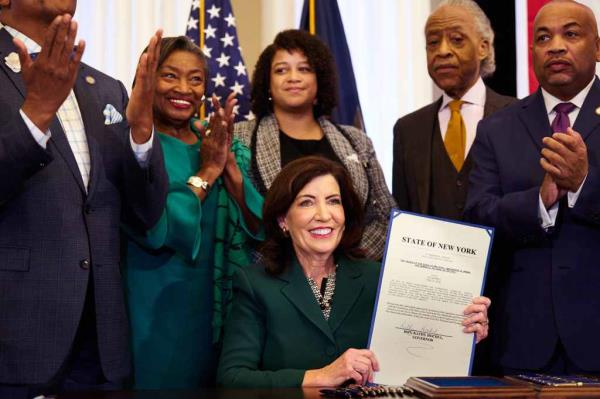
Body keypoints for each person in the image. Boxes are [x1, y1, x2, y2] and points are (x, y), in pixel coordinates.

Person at [0, 1, 168, 397]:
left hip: (102, 344)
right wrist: (36, 112)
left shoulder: (106, 87)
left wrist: (142, 134)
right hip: (18, 337)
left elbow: (145, 212)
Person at [217, 156, 491, 388]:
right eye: (307, 202)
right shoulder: (255, 283)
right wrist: (320, 376)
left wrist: (461, 331)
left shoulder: (381, 278)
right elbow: (232, 377)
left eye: (334, 201)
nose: (324, 214)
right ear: (282, 220)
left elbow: (422, 356)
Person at [465, 0, 600, 375]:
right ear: (532, 52)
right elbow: (477, 215)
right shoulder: (497, 128)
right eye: (543, 37)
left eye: (570, 34)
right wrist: (537, 203)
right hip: (521, 339)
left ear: (598, 47)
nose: (556, 45)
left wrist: (583, 184)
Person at [122, 36, 263, 389]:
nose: (183, 88)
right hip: (156, 304)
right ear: (146, 79)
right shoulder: (135, 147)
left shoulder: (213, 141)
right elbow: (163, 229)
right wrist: (207, 173)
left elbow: (259, 225)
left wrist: (227, 163)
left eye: (196, 79)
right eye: (170, 76)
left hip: (220, 309)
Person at [234, 29, 396, 260]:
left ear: (319, 80)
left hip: (354, 274)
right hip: (274, 278)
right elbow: (240, 220)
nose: (293, 77)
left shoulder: (357, 141)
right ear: (267, 84)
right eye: (281, 70)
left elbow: (385, 216)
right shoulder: (240, 138)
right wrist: (297, 266)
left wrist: (346, 261)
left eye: (304, 69)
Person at [393, 0, 515, 221]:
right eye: (432, 42)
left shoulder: (518, 116)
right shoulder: (408, 130)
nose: (442, 51)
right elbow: (404, 216)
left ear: (483, 47)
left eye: (456, 40)